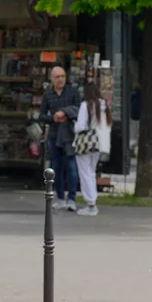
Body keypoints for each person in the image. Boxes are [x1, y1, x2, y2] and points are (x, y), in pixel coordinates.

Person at [38, 66, 81, 211]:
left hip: (69, 134)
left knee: (71, 166)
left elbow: (80, 109)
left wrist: (65, 113)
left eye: (63, 76)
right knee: (56, 167)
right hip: (54, 135)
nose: (61, 79)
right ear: (51, 79)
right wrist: (53, 118)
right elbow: (41, 115)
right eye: (57, 77)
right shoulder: (47, 94)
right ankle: (60, 197)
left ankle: (72, 199)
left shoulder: (72, 91)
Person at [73, 83, 109, 217]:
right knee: (92, 172)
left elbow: (81, 126)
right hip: (99, 142)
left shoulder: (86, 105)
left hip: (85, 142)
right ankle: (92, 202)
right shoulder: (103, 105)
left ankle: (91, 203)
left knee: (85, 172)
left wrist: (74, 125)